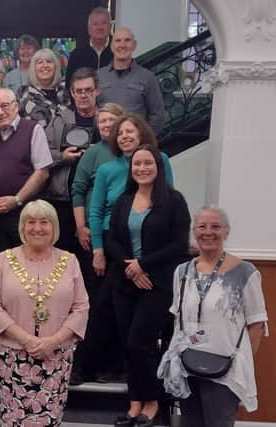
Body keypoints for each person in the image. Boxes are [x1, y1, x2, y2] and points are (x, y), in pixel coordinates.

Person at [105, 144, 190, 426]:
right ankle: (134, 403)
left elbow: (178, 245)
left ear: (159, 166)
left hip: (159, 284)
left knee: (140, 342)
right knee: (128, 345)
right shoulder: (123, 200)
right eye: (137, 164)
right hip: (125, 282)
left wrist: (144, 265)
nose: (142, 168)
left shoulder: (174, 201)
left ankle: (152, 401)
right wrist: (131, 267)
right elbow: (112, 240)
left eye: (148, 163)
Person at [158, 207, 268, 427]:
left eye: (216, 226)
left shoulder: (245, 273)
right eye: (202, 226)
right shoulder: (182, 272)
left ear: (226, 232)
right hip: (187, 366)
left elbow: (256, 324)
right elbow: (179, 320)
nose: (208, 232)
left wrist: (241, 362)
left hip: (224, 372)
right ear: (194, 232)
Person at [0, 199, 89, 426]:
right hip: (13, 356)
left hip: (56, 356)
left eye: (44, 222)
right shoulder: (4, 259)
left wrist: (54, 340)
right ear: (22, 227)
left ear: (54, 227)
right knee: (15, 421)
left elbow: (81, 307)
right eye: (31, 222)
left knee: (48, 421)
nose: (37, 228)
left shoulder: (69, 261)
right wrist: (26, 339)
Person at [69, 102, 126, 384]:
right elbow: (78, 190)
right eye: (101, 121)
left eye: (111, 121)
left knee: (116, 304)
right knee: (93, 303)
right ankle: (84, 364)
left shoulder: (131, 153)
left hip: (125, 242)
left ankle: (112, 365)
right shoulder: (92, 153)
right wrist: (81, 227)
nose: (105, 126)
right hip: (94, 238)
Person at [89, 113, 173, 281]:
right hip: (114, 242)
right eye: (119, 133)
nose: (124, 136)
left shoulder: (161, 159)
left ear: (141, 133)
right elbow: (96, 213)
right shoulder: (105, 170)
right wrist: (98, 250)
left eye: (129, 131)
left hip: (151, 236)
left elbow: (169, 201)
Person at [18, 48, 78, 250]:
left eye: (49, 62)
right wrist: (61, 156)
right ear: (33, 68)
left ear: (57, 66)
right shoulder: (25, 96)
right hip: (41, 182)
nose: (44, 66)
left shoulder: (68, 93)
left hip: (70, 180)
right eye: (39, 62)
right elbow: (29, 144)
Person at [0, 88, 53, 251]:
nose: (0, 112)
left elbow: (42, 172)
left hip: (27, 214)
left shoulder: (33, 129)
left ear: (16, 106)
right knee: (2, 265)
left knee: (28, 264)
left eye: (5, 105)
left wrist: (17, 200)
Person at [98, 28, 165, 135]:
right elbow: (93, 111)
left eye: (127, 40)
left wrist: (143, 138)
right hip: (106, 143)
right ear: (111, 46)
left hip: (135, 145)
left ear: (134, 45)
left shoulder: (147, 77)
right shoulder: (99, 76)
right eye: (118, 41)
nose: (122, 45)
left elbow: (158, 115)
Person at [65, 6, 114, 89]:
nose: (100, 27)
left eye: (104, 23)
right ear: (89, 29)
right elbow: (69, 85)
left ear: (110, 27)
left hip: (111, 101)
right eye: (95, 24)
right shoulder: (77, 54)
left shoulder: (117, 52)